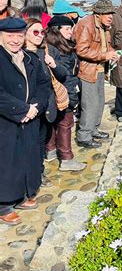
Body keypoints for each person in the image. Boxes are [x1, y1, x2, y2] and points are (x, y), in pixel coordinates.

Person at [0, 18, 49, 225]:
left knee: (25, 157)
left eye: (19, 36)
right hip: (6, 119)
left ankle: (20, 195)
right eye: (10, 36)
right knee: (6, 160)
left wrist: (36, 107)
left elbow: (43, 84)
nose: (15, 40)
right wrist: (22, 109)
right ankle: (3, 204)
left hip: (30, 116)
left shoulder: (30, 58)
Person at [24, 18, 67, 184]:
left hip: (46, 107)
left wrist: (54, 64)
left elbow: (63, 75)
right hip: (26, 108)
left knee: (40, 143)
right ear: (25, 33)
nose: (40, 35)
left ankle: (39, 173)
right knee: (28, 145)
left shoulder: (48, 51)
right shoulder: (18, 54)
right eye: (35, 32)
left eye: (42, 32)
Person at [74, 0, 119, 148]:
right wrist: (104, 56)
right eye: (107, 13)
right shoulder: (86, 24)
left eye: (111, 13)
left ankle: (93, 129)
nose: (111, 16)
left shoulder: (104, 26)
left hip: (99, 70)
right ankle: (84, 136)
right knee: (90, 104)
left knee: (99, 102)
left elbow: (106, 46)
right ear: (98, 14)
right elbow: (81, 49)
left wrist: (112, 53)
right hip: (88, 71)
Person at [44, 16, 85, 171]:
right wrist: (73, 97)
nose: (71, 32)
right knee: (65, 123)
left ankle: (51, 151)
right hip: (62, 92)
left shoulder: (52, 46)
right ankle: (66, 158)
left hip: (55, 92)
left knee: (53, 122)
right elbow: (65, 76)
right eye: (67, 29)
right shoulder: (59, 51)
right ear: (56, 30)